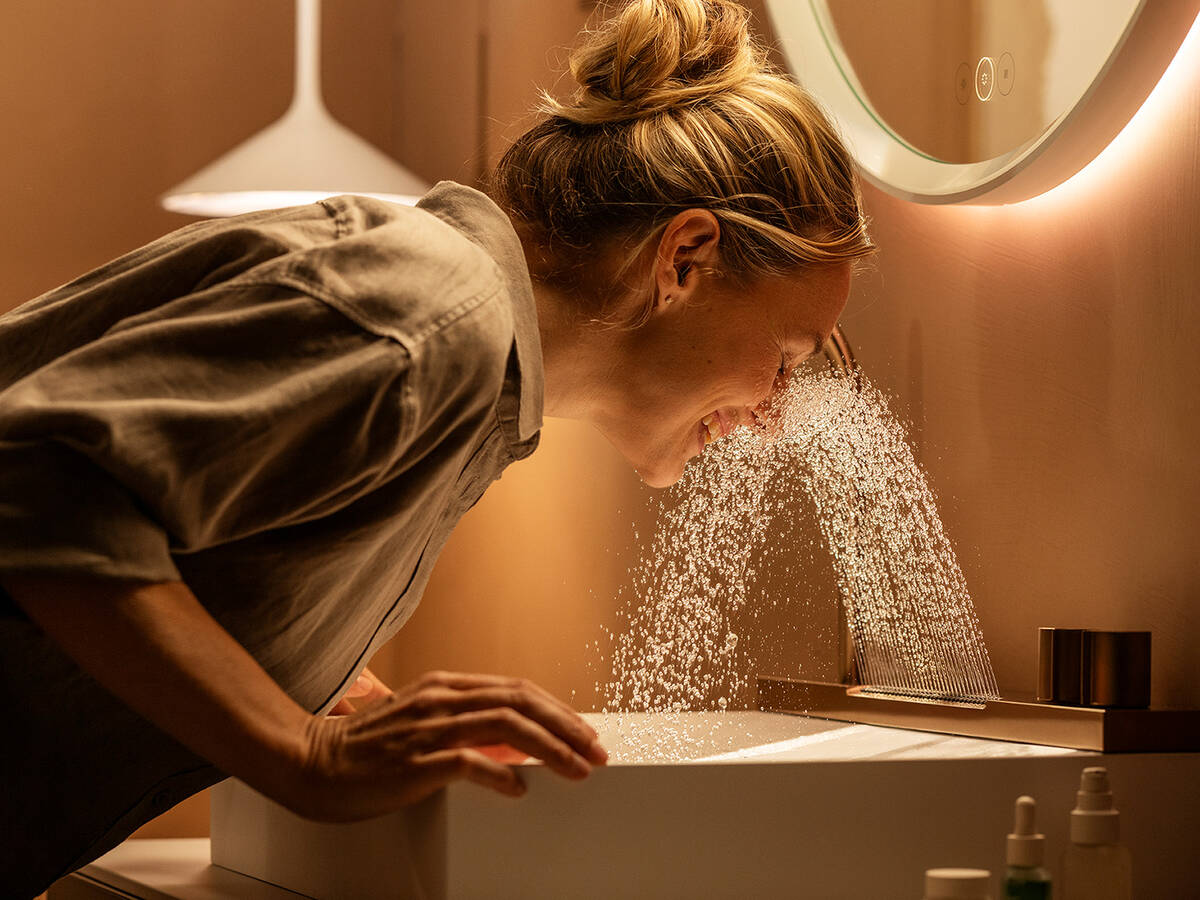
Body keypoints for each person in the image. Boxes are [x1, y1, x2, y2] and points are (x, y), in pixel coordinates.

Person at [0, 0, 874, 893]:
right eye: (787, 356)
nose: (773, 410)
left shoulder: (460, 349)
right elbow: (42, 481)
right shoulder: (437, 311)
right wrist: (301, 750)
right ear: (685, 259)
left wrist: (315, 670)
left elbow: (148, 506)